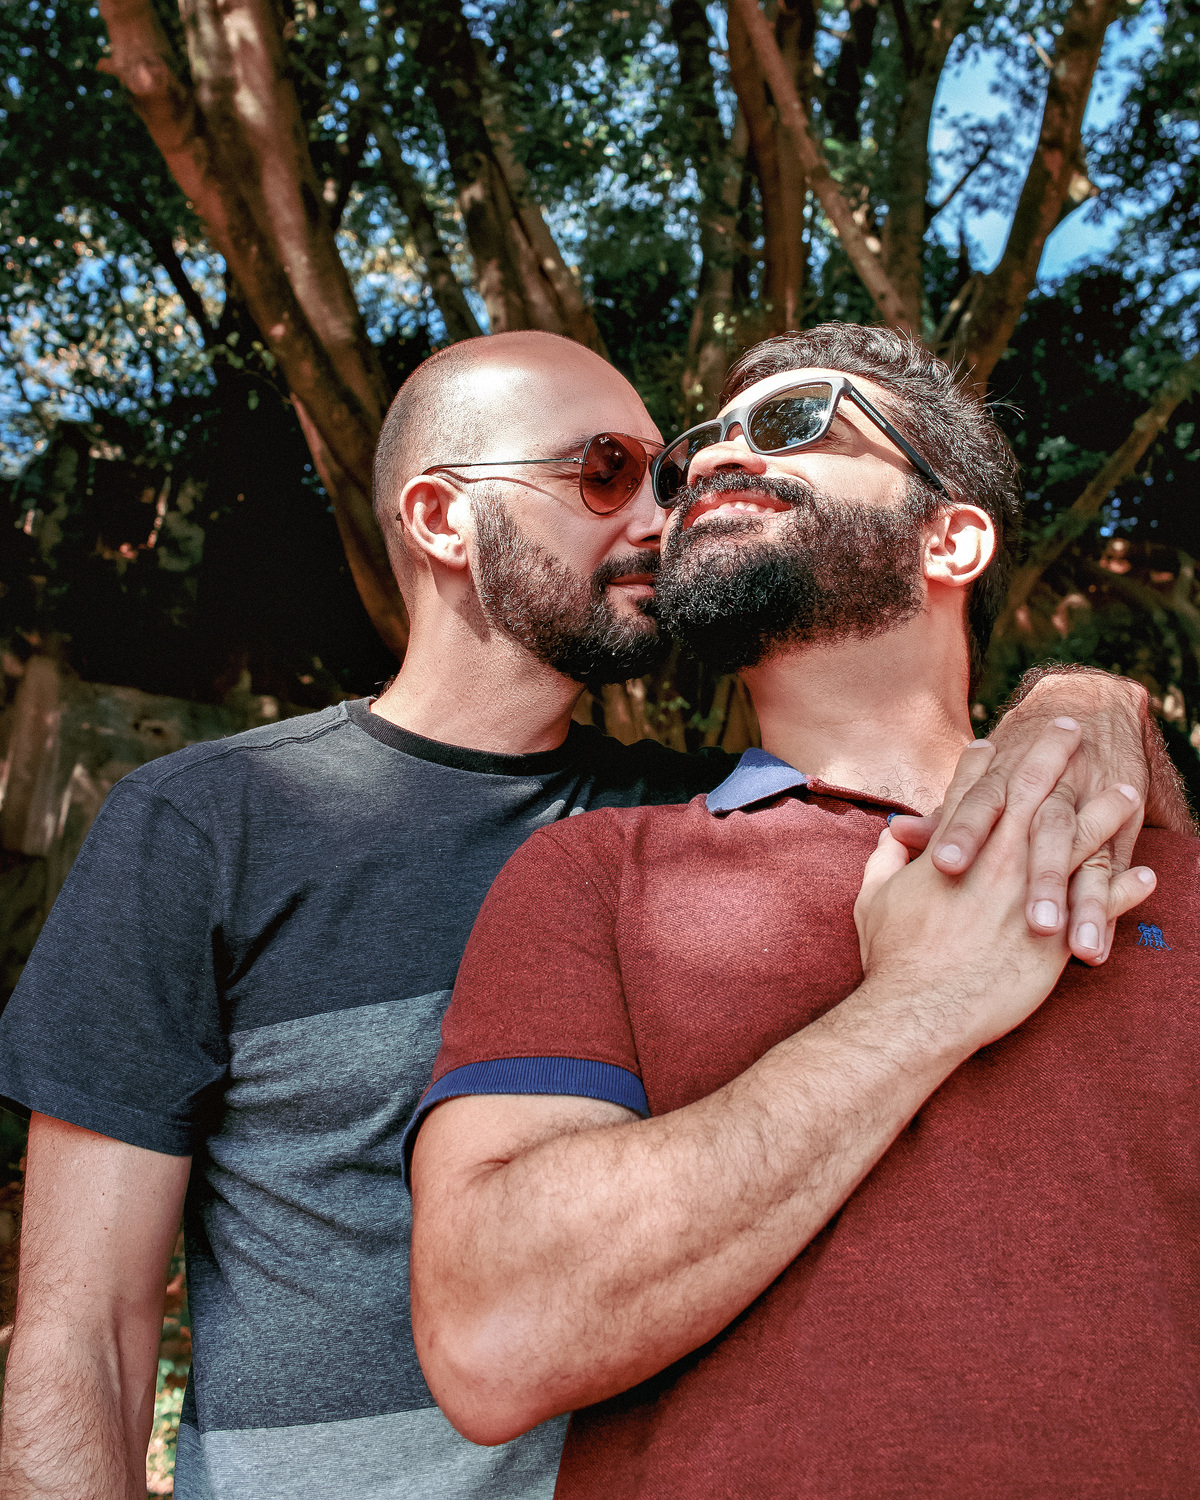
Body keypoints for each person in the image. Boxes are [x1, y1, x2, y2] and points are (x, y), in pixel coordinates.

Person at [0, 331, 1182, 1500]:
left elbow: (902, 759)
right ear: (443, 518)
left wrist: (1086, 709)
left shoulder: (693, 812)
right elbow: (86, 1331)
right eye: (610, 472)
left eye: (672, 472)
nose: (673, 507)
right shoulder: (215, 825)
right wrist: (921, 999)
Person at [406, 326, 1200, 1498]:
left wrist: (1095, 703)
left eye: (793, 422)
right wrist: (916, 1009)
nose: (717, 456)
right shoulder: (596, 874)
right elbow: (491, 1338)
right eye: (702, 448)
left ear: (952, 537)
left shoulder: (1166, 875)